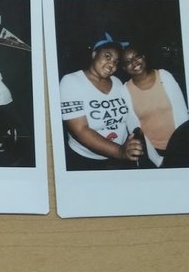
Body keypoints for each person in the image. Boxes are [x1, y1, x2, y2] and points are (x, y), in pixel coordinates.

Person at [58, 33, 145, 170]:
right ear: (94, 54)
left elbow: (128, 116)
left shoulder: (117, 82)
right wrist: (120, 151)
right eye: (107, 56)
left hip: (120, 159)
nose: (111, 65)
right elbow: (80, 130)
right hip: (87, 161)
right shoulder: (71, 81)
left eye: (116, 62)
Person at [121, 45, 189, 167]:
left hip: (181, 145)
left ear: (143, 57)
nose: (134, 62)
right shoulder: (124, 90)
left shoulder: (164, 76)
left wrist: (180, 146)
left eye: (136, 57)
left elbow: (182, 113)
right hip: (153, 152)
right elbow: (135, 129)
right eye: (128, 62)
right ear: (124, 68)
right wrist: (158, 160)